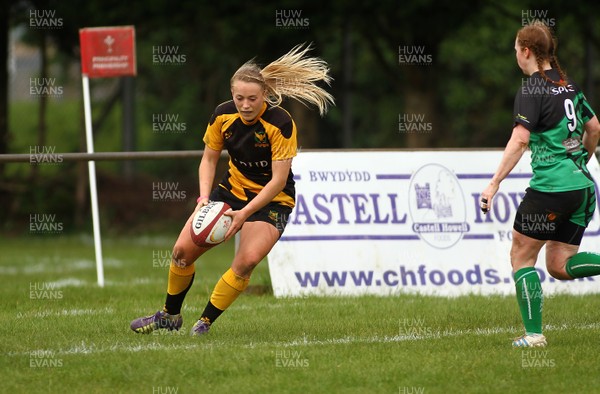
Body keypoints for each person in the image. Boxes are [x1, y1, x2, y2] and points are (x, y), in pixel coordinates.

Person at [130, 43, 334, 336]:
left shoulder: (281, 123)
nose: (246, 104)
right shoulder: (222, 116)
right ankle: (169, 315)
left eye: (252, 98)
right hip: (231, 191)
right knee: (180, 253)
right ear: (232, 95)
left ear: (265, 95)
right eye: (240, 98)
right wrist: (202, 199)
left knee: (247, 261)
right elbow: (208, 159)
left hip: (273, 201)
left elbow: (278, 181)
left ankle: (206, 322)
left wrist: (245, 214)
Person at [480, 22, 600, 347]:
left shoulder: (532, 88)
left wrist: (493, 184)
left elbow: (520, 140)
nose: (516, 54)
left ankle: (533, 336)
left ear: (527, 51)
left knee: (522, 256)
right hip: (582, 189)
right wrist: (580, 162)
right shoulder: (568, 85)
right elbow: (594, 128)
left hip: (552, 189)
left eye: (517, 49)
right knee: (559, 265)